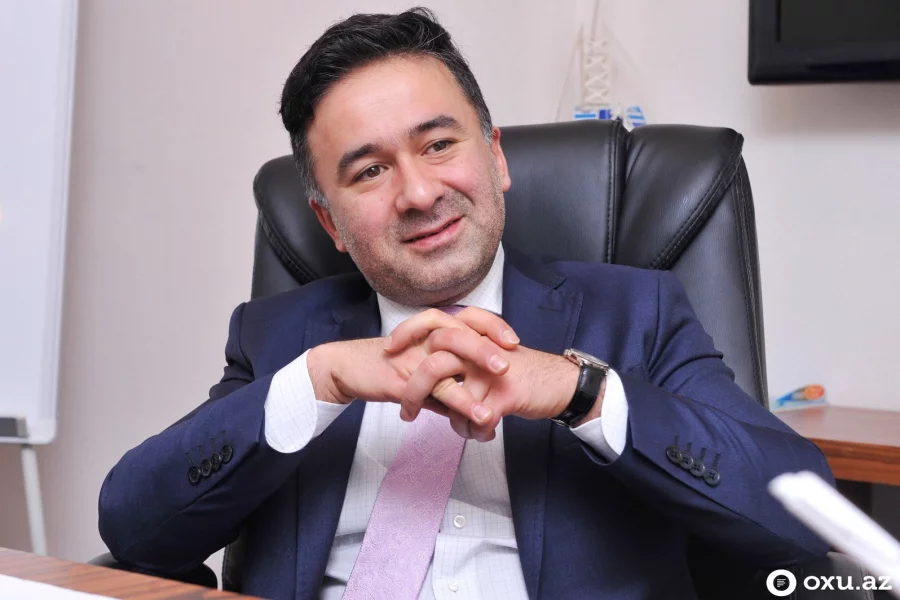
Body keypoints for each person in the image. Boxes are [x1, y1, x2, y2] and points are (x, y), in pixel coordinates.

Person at [98, 8, 835, 600]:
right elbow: (135, 531)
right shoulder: (280, 337)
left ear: (496, 156)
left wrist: (579, 393)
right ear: (330, 223)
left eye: (439, 145)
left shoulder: (636, 312)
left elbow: (799, 517)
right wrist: (316, 382)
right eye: (369, 171)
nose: (419, 193)